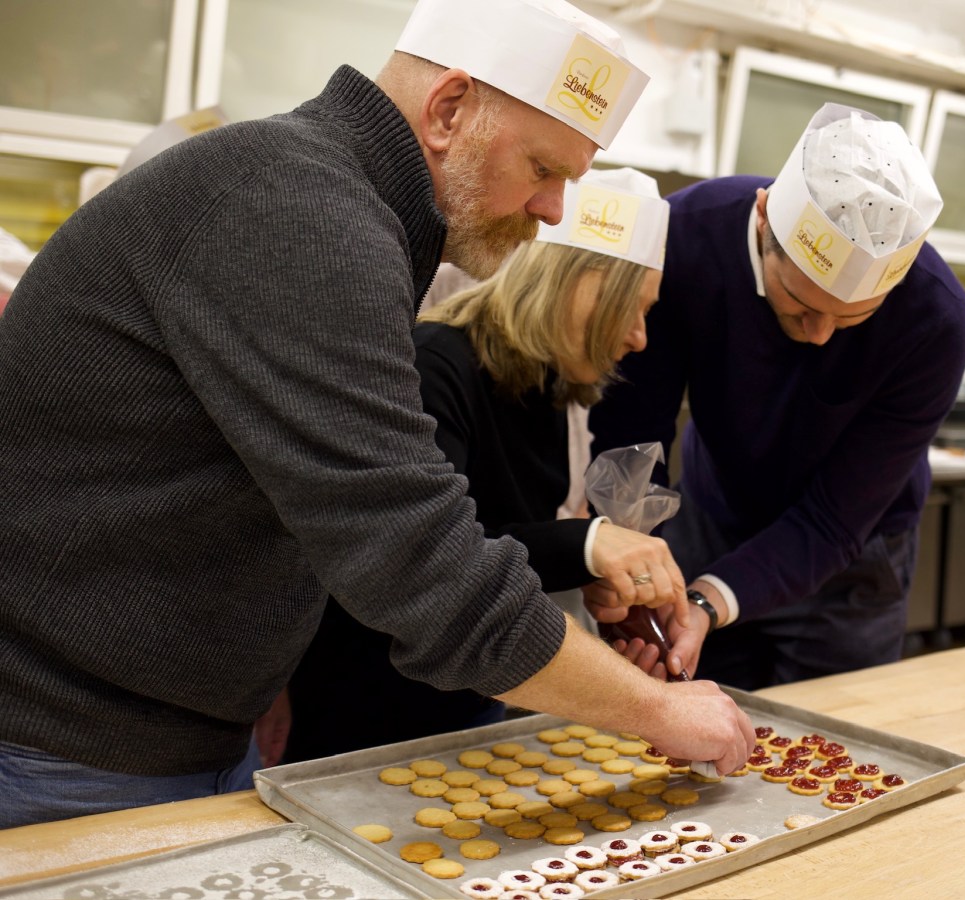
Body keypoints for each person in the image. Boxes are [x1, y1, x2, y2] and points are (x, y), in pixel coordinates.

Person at [0, 0, 754, 830]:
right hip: (64, 748)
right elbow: (415, 555)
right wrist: (657, 710)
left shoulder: (341, 206)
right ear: (449, 108)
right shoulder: (297, 208)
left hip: (182, 732)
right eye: (543, 168)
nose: (551, 209)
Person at [285, 167, 684, 761]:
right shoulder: (434, 366)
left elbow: (503, 538)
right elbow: (427, 559)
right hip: (366, 716)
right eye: (632, 307)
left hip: (471, 706)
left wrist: (588, 571)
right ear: (573, 283)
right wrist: (585, 543)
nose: (639, 337)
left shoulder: (545, 384)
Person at [588, 103, 965, 691]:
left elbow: (835, 518)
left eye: (852, 319)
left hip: (851, 560)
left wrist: (708, 603)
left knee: (834, 731)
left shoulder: (933, 319)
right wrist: (630, 561)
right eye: (801, 304)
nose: (819, 336)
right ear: (765, 216)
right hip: (711, 517)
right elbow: (634, 433)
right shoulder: (685, 237)